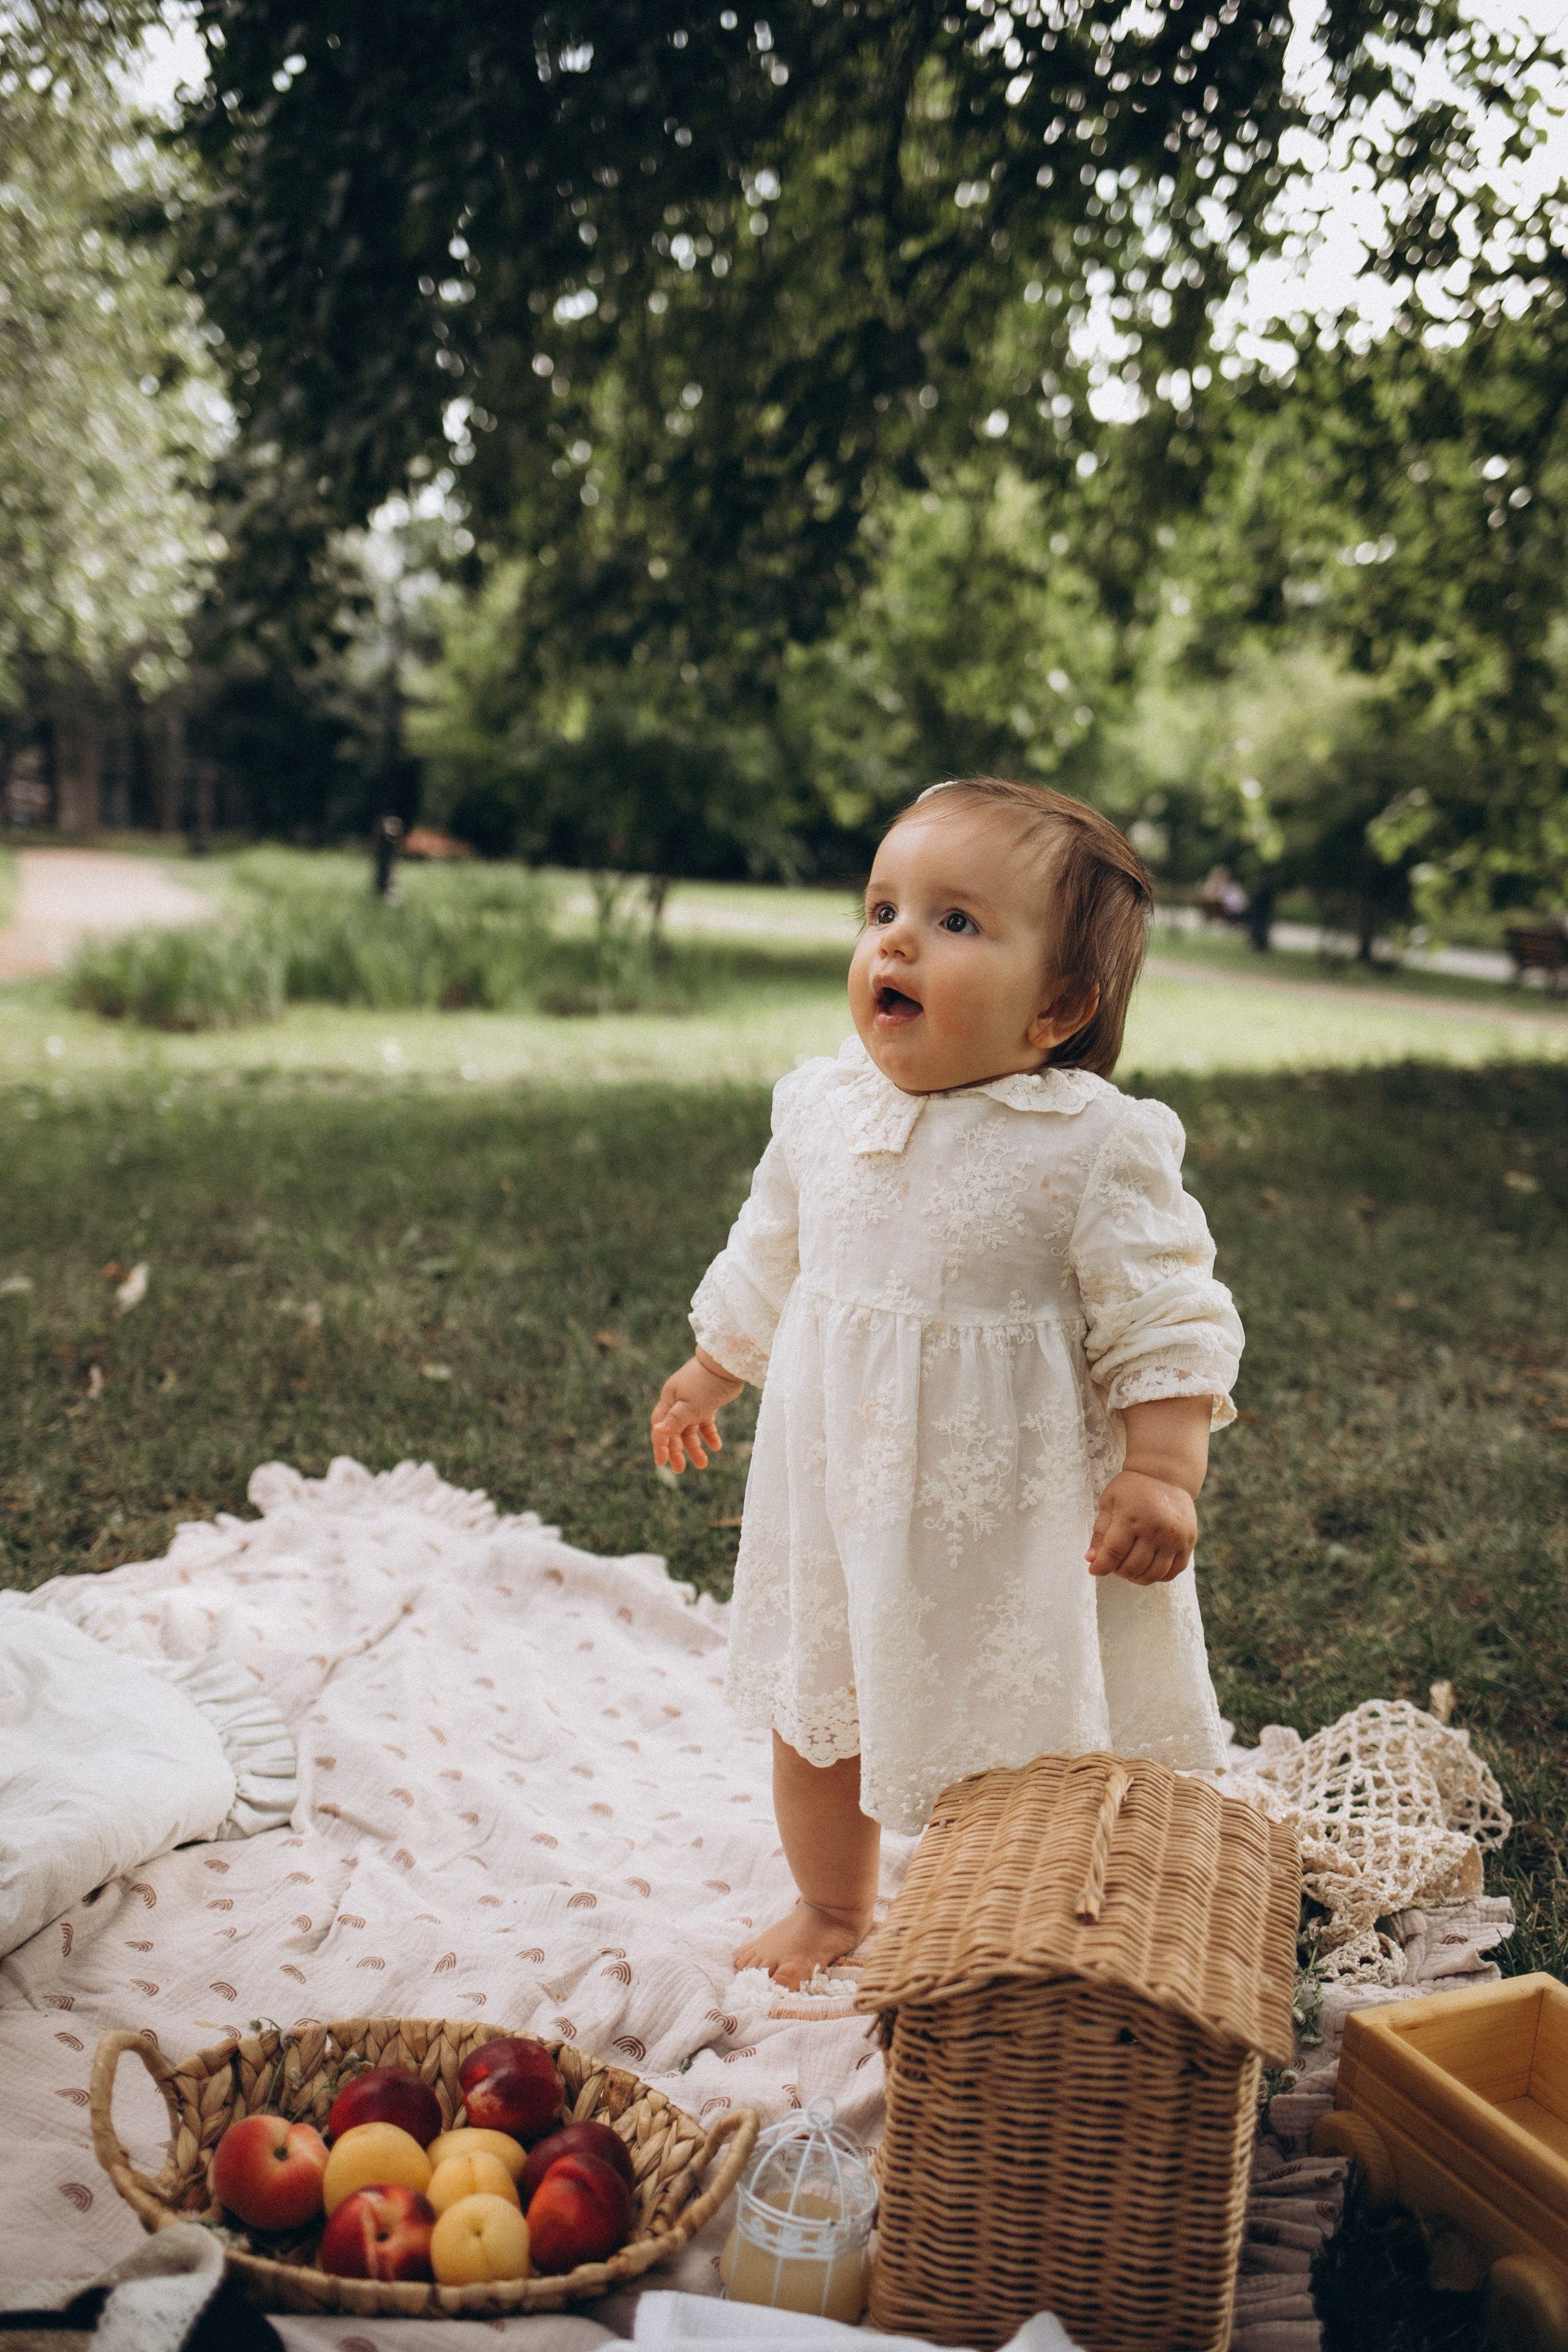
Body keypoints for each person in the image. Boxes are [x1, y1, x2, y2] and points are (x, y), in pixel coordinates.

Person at [650, 778, 1243, 1988]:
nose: (897, 940)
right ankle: (830, 1903)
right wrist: (716, 1368)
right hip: (836, 1492)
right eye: (881, 909)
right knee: (821, 1704)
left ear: (1058, 1007)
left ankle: (1033, 1918)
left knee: (1022, 1728)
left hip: (1005, 1516)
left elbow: (1162, 1310)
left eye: (956, 922)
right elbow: (772, 1247)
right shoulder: (820, 1109)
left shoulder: (1087, 1144)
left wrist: (1161, 1468)